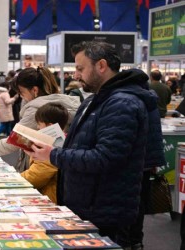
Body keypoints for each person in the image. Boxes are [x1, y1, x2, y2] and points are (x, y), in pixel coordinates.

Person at [25, 41, 159, 248]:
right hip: (87, 206)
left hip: (105, 212)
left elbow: (105, 158)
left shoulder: (122, 104)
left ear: (101, 66)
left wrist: (53, 155)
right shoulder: (94, 101)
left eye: (80, 68)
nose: (76, 75)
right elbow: (80, 146)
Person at [0, 67, 80, 172]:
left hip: (41, 168)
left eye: (22, 92)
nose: (21, 96)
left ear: (34, 90)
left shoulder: (37, 108)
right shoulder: (57, 101)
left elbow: (14, 140)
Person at [21, 102, 69, 203]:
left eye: (39, 124)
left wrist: (15, 180)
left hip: (50, 197)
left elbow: (36, 176)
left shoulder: (52, 145)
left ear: (50, 126)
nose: (38, 128)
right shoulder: (66, 140)